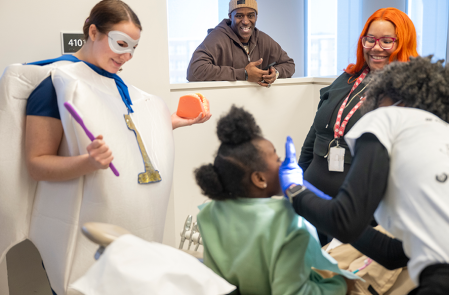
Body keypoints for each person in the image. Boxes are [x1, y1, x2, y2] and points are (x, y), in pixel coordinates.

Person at [0, 1, 210, 294]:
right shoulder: (56, 83)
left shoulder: (110, 83)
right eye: (121, 43)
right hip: (81, 240)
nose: (128, 55)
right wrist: (88, 163)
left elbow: (124, 137)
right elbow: (37, 164)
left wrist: (171, 122)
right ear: (94, 32)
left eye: (134, 47)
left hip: (128, 242)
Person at [280, 56, 449, 294]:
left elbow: (345, 222)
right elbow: (391, 253)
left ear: (394, 98)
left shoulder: (388, 117)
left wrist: (293, 189)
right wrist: (317, 195)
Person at [194, 106, 356, 295]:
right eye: (278, 159)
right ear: (260, 179)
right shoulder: (288, 223)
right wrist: (340, 285)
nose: (283, 164)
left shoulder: (208, 213)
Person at [298, 7, 417, 246]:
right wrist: (297, 178)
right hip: (312, 195)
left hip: (355, 207)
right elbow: (316, 131)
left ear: (402, 43)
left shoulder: (407, 92)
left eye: (387, 41)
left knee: (343, 276)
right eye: (370, 39)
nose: (375, 47)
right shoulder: (348, 78)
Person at [186, 0, 295, 87]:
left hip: (257, 105)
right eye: (239, 16)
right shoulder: (217, 38)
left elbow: (289, 64)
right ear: (230, 16)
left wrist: (275, 73)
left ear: (256, 17)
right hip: (224, 106)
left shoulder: (262, 39)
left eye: (251, 15)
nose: (246, 21)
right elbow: (194, 71)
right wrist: (244, 74)